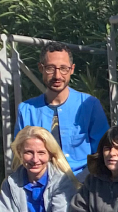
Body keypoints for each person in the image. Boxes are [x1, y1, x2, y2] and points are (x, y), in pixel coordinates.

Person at [15, 42, 108, 176]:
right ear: (41, 68)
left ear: (72, 69)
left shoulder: (89, 105)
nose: (57, 76)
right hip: (41, 185)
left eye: (63, 68)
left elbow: (101, 152)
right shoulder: (26, 110)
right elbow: (20, 156)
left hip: (83, 184)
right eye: (50, 68)